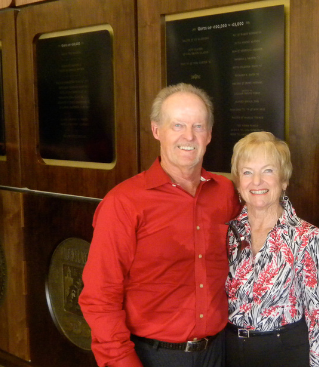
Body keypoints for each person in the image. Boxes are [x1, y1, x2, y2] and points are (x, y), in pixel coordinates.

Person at [79, 83, 240, 367]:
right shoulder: (124, 203)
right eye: (177, 125)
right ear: (157, 130)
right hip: (154, 357)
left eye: (198, 126)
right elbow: (99, 297)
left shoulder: (225, 192)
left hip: (219, 353)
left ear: (210, 134)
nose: (188, 136)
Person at [225, 132, 319, 367]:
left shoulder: (307, 237)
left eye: (268, 170)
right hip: (229, 352)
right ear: (238, 182)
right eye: (247, 172)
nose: (257, 181)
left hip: (284, 352)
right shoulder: (227, 231)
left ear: (284, 179)